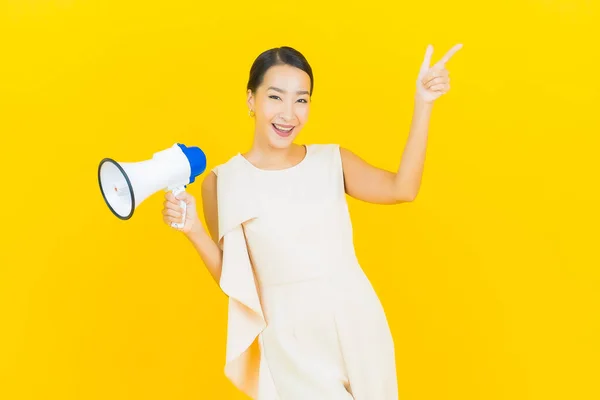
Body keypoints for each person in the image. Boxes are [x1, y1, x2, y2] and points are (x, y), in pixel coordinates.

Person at [162, 44, 462, 400]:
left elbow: (403, 188)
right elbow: (236, 281)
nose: (288, 113)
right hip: (290, 341)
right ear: (251, 100)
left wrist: (423, 103)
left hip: (358, 320)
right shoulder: (223, 181)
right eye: (275, 97)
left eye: (301, 100)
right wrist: (194, 230)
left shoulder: (332, 160)